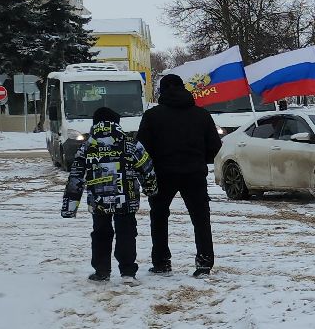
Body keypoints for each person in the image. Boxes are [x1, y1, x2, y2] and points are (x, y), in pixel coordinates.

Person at [138, 73, 223, 276]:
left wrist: (149, 167)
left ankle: (161, 262)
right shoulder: (201, 115)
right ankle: (204, 262)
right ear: (183, 88)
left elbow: (141, 148)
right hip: (194, 173)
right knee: (201, 218)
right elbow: (215, 145)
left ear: (162, 90)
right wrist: (201, 159)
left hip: (162, 174)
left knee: (159, 217)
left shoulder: (152, 116)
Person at [62, 107, 158, 283]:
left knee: (100, 233)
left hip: (98, 202)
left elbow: (76, 178)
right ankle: (128, 272)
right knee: (126, 233)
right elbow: (147, 168)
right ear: (117, 123)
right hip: (126, 200)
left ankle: (101, 271)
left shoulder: (87, 147)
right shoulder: (130, 144)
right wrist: (151, 190)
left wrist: (69, 208)